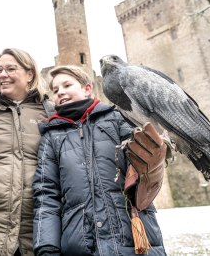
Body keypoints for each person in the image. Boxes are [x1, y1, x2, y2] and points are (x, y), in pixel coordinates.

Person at [32, 65, 167, 256]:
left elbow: (145, 170)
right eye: (55, 90)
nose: (60, 92)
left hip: (131, 236)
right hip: (80, 242)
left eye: (67, 85)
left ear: (87, 88)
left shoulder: (118, 119)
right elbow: (46, 195)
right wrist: (47, 247)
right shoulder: (52, 137)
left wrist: (155, 161)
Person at [0, 48, 54, 256]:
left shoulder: (50, 112)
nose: (3, 74)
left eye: (11, 69)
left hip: (38, 229)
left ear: (30, 74)